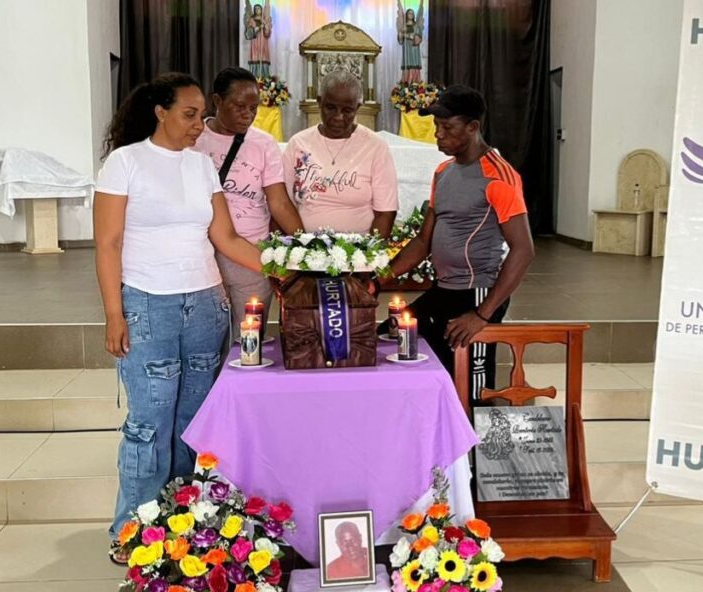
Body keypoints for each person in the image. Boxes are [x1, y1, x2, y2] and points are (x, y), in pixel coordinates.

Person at [94, 72, 264, 564]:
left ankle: (184, 525)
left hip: (206, 305)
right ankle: (133, 531)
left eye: (198, 115)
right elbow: (108, 244)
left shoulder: (201, 166)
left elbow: (226, 239)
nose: (198, 125)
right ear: (160, 112)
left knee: (194, 423)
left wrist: (284, 269)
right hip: (148, 304)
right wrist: (113, 312)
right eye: (189, 115)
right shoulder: (124, 163)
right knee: (149, 422)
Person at [373, 85, 535, 399]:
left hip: (478, 294)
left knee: (469, 386)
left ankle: (473, 441)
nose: (438, 135)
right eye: (437, 127)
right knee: (392, 336)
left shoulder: (499, 176)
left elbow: (524, 249)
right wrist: (379, 279)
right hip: (445, 290)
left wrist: (483, 314)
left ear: (473, 127)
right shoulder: (444, 172)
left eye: (447, 128)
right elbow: (423, 242)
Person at [194, 66, 303, 339]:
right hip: (202, 253)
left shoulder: (263, 144)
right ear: (217, 101)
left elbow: (278, 202)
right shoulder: (194, 140)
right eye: (240, 106)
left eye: (254, 108)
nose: (248, 115)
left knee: (249, 339)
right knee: (208, 341)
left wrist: (305, 246)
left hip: (251, 253)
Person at [282, 70, 398, 236]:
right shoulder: (298, 144)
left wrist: (371, 253)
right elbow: (284, 204)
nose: (338, 117)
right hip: (305, 249)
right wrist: (299, 245)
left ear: (357, 108)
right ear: (319, 102)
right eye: (330, 107)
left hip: (359, 250)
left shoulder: (375, 147)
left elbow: (385, 212)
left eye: (347, 111)